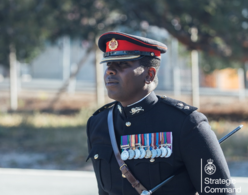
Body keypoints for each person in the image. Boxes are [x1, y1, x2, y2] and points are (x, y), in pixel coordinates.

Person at [86, 31, 236, 195]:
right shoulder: (98, 123)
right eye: (108, 64)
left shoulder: (186, 124)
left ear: (149, 75)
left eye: (122, 64)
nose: (110, 71)